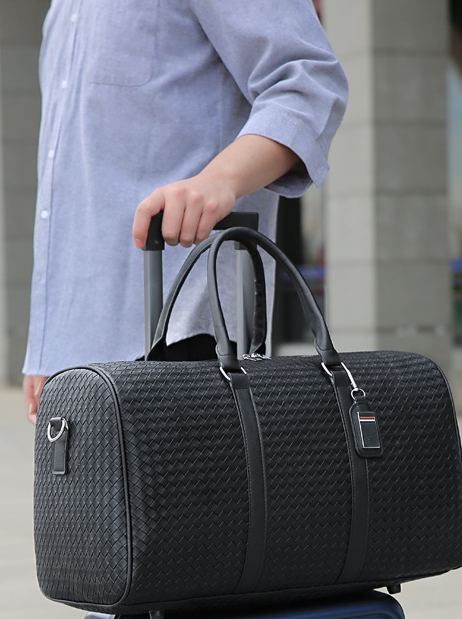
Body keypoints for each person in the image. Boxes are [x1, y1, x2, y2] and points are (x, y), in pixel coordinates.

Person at [23, 0, 348, 423]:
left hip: (184, 330)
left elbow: (308, 81)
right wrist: (47, 342)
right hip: (74, 359)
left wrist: (220, 179)